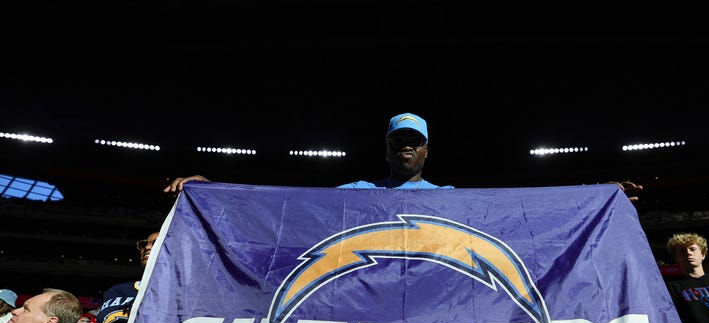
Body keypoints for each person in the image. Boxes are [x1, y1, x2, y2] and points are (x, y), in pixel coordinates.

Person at [163, 112, 644, 197]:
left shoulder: (449, 196)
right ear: (387, 148)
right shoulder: (355, 191)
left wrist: (595, 195)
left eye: (414, 141)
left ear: (428, 150)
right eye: (398, 141)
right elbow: (288, 205)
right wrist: (218, 191)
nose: (407, 146)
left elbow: (524, 209)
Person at [82, 231, 160, 323]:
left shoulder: (181, 293)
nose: (147, 247)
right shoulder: (115, 291)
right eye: (144, 244)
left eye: (156, 242)